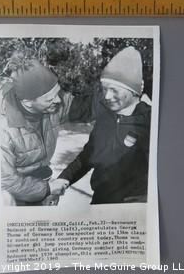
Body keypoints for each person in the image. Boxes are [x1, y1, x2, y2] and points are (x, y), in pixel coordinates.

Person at [57, 46, 151, 204]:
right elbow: (88, 156)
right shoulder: (106, 116)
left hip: (133, 209)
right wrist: (64, 179)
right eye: (105, 89)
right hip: (100, 202)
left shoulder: (150, 120)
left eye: (114, 90)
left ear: (133, 90)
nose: (107, 96)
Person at [1, 55, 73, 206]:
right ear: (27, 101)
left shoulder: (53, 104)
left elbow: (83, 106)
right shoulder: (3, 129)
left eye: (57, 93)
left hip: (43, 178)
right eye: (49, 99)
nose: (58, 101)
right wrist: (47, 189)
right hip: (17, 192)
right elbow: (6, 181)